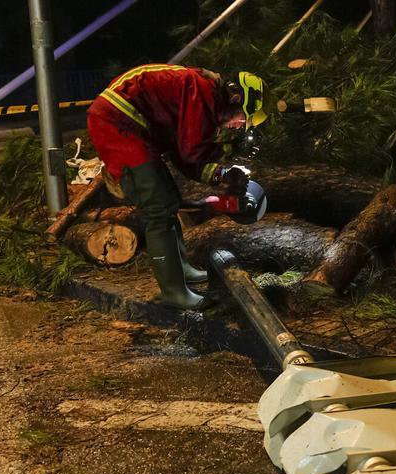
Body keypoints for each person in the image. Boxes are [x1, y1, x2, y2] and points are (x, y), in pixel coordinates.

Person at [86, 65, 267, 309]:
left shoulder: (204, 93)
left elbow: (185, 152)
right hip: (117, 123)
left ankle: (181, 269)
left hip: (131, 124)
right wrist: (226, 159)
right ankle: (173, 292)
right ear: (235, 99)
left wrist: (222, 171)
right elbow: (190, 154)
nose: (239, 126)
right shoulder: (201, 93)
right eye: (242, 118)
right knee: (158, 208)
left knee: (169, 198)